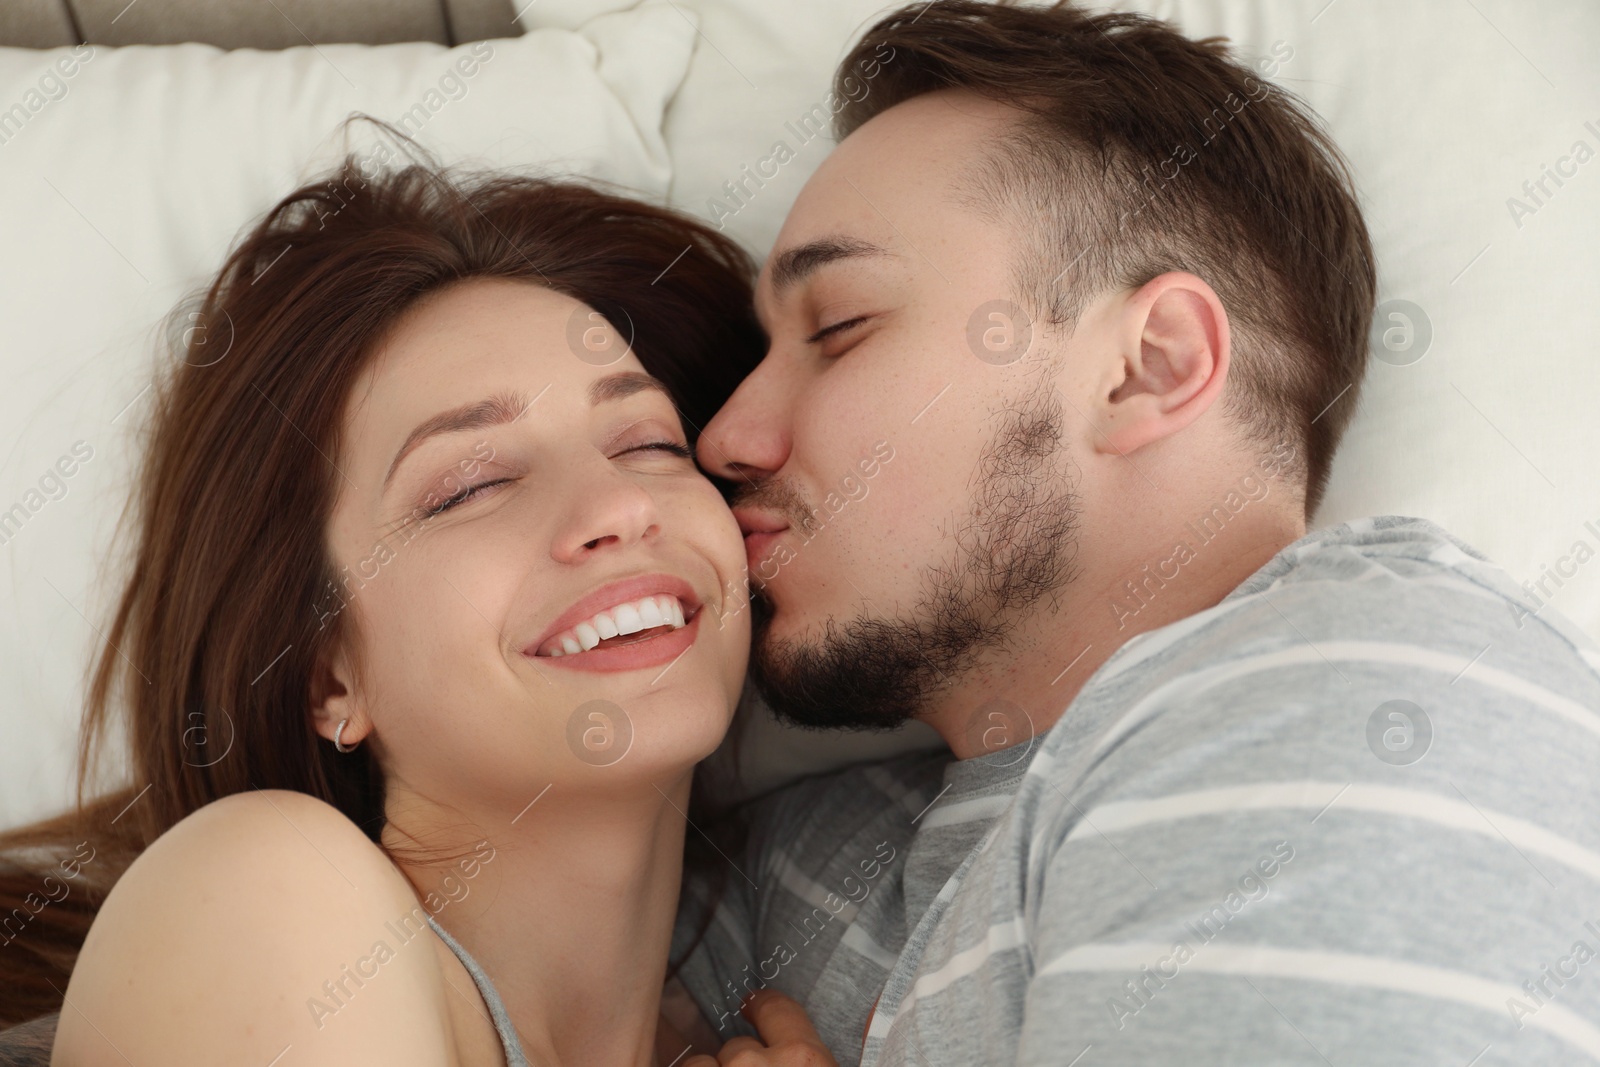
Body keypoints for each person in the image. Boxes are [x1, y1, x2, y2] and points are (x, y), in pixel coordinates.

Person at [669, 2, 1600, 1065]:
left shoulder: (1377, 691)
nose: (726, 437)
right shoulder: (796, 863)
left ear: (1147, 367)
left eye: (838, 329)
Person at [0, 145, 789, 1065]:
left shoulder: (767, 1015)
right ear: (327, 673)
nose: (620, 505)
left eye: (650, 441)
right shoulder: (270, 889)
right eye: (470, 485)